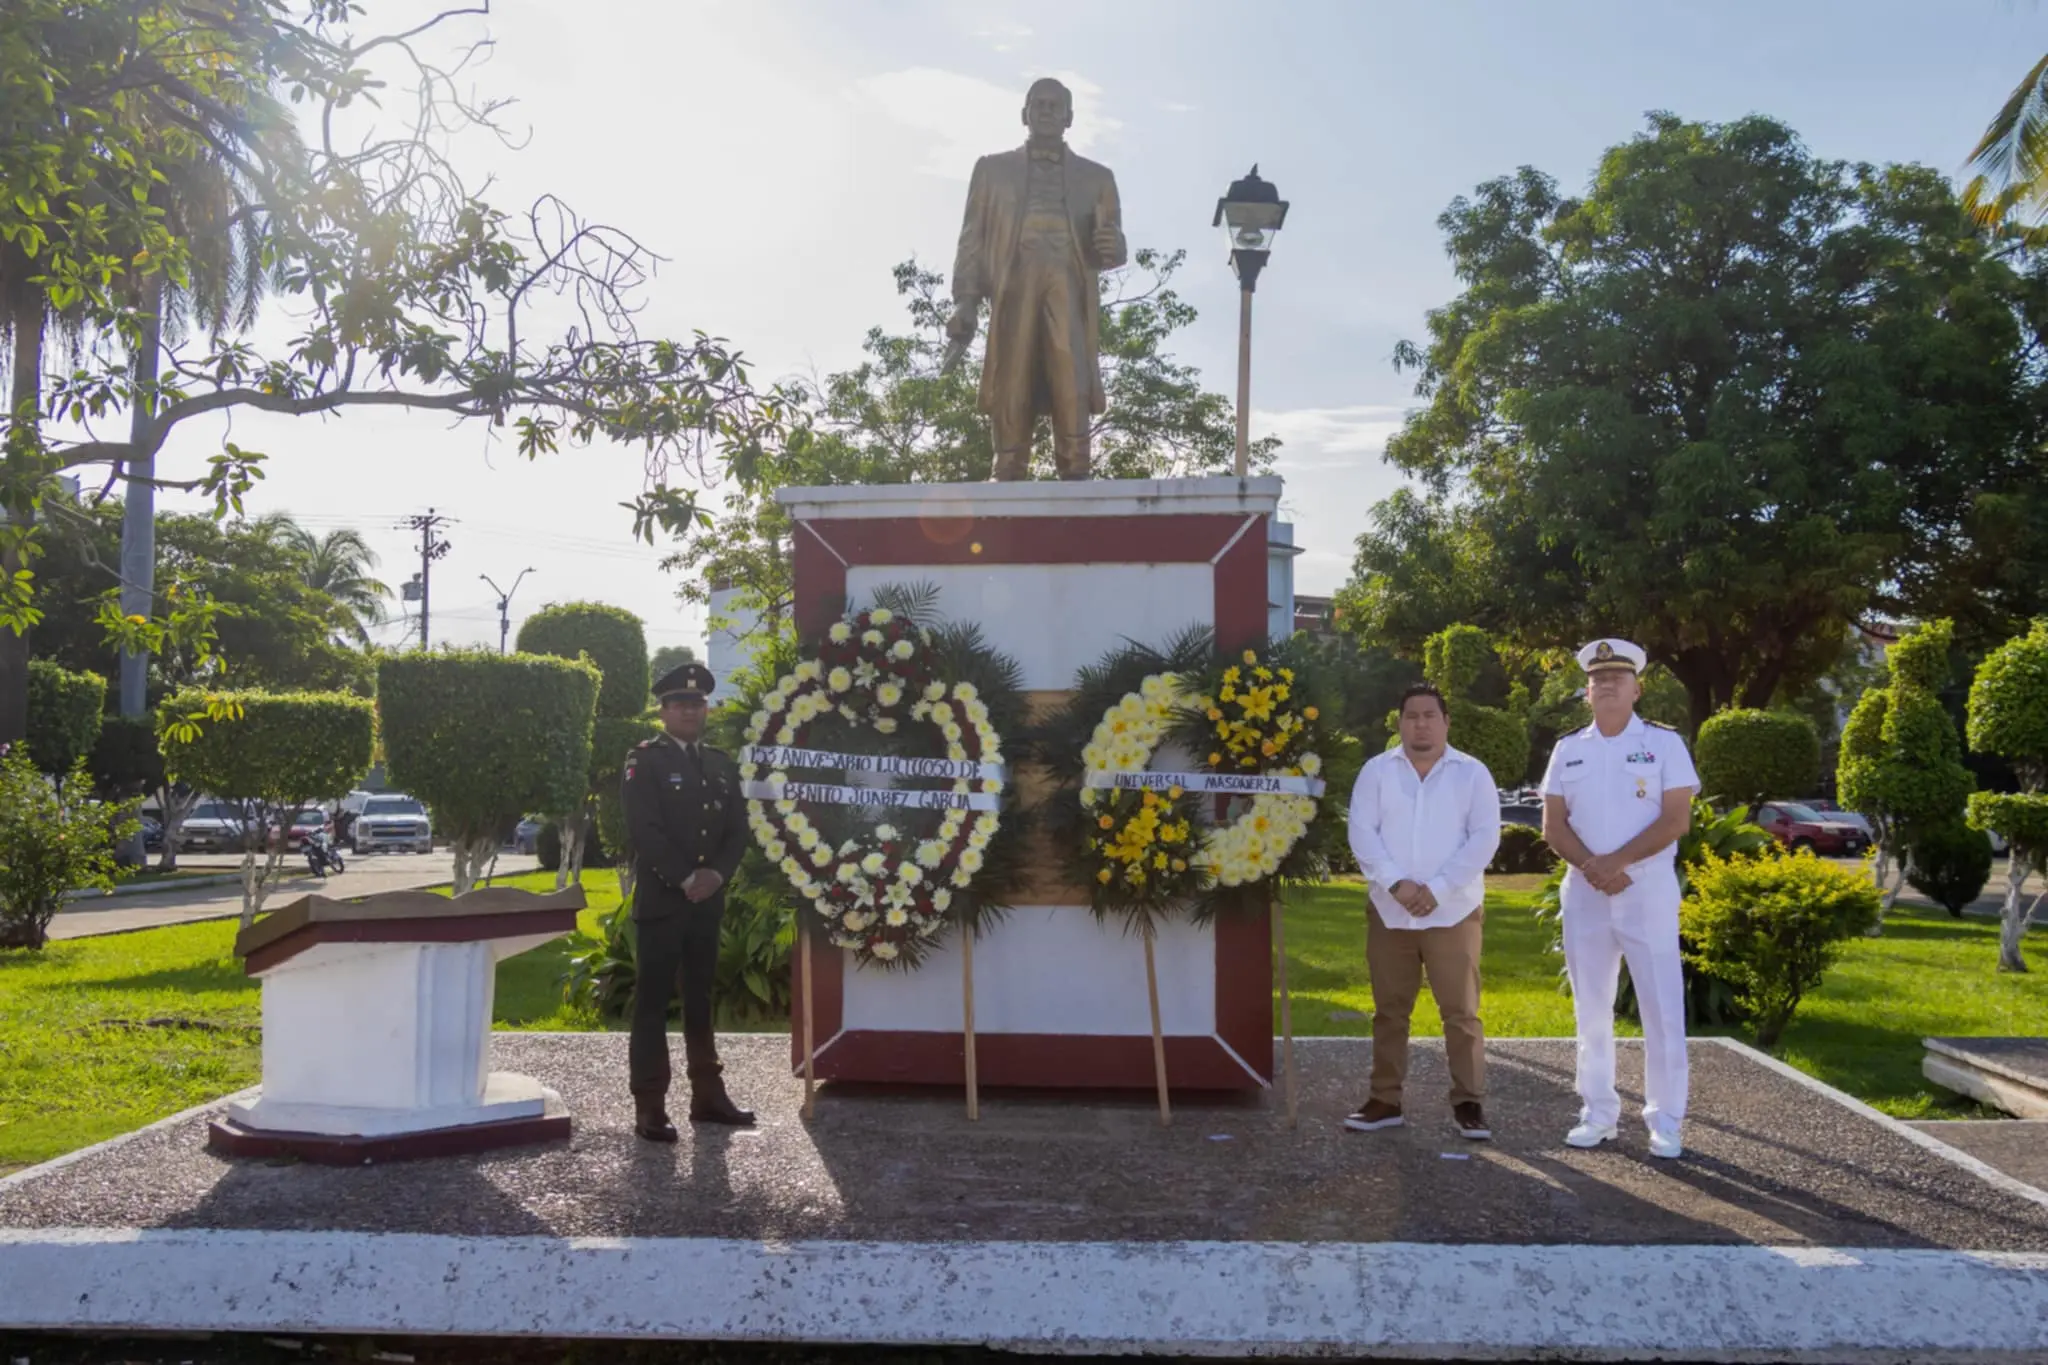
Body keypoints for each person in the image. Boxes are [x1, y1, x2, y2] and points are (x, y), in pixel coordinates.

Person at [1539, 639, 1699, 1159]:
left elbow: (1677, 819)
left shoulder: (1664, 745)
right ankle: (1598, 1111)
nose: (1607, 684)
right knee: (1591, 1006)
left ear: (1637, 688)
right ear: (1586, 691)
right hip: (1585, 890)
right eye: (1597, 678)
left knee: (1660, 1006)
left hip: (1645, 888)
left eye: (1617, 677)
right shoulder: (1569, 748)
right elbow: (1553, 824)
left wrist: (1618, 863)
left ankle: (1666, 1119)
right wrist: (1594, 866)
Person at [947, 76, 1127, 481]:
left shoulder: (1098, 178)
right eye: (1038, 105)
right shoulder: (992, 170)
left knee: (1071, 370)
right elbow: (971, 238)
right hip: (1015, 279)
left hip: (1068, 281)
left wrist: (1113, 245)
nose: (1046, 111)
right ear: (1025, 114)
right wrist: (965, 299)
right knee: (1013, 371)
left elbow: (1112, 245)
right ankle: (1009, 465)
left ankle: (1076, 465)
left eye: (1055, 106)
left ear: (1070, 118)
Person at [1344, 682, 1502, 1140]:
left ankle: (1469, 1102)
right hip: (1390, 912)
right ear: (1400, 721)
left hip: (1453, 912)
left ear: (1446, 721)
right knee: (1390, 1011)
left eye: (1430, 715)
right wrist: (1397, 884)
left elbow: (1484, 838)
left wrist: (1437, 888)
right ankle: (1384, 1100)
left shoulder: (1472, 774)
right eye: (1412, 715)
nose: (1421, 723)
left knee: (1461, 1012)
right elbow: (1362, 832)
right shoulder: (1376, 772)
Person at [621, 660, 753, 1139]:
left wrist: (717, 874)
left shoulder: (720, 763)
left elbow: (738, 829)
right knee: (653, 1002)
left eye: (696, 704)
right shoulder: (645, 761)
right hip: (664, 900)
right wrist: (684, 877)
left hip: (706, 902)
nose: (689, 711)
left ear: (706, 709)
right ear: (663, 711)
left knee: (700, 999)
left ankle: (708, 1096)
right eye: (679, 704)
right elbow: (645, 830)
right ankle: (650, 1103)